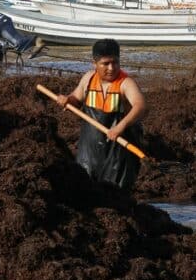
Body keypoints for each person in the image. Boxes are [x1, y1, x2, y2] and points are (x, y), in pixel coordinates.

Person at [55, 39, 146, 189]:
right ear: (95, 63)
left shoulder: (126, 83)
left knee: (116, 194)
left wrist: (120, 126)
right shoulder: (88, 79)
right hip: (89, 149)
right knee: (85, 189)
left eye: (115, 62)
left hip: (117, 153)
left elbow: (140, 106)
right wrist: (67, 100)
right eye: (106, 63)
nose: (111, 68)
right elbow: (76, 99)